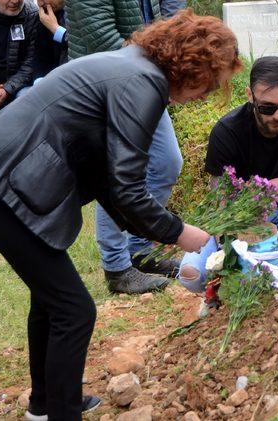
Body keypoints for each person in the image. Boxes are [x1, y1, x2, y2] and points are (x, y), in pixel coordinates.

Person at [0, 11, 241, 419]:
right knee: (74, 309)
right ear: (194, 67)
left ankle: (45, 405)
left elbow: (106, 178)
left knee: (51, 301)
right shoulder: (144, 82)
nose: (206, 95)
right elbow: (128, 187)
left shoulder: (131, 65)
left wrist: (154, 226)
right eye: (211, 83)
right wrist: (178, 231)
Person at [177, 56, 278, 291]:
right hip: (242, 221)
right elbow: (221, 206)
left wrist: (262, 188)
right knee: (191, 275)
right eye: (267, 107)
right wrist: (247, 240)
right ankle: (235, 290)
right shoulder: (227, 132)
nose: (277, 115)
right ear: (249, 95)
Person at [66, 0, 187, 293]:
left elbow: (163, 22)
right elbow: (100, 36)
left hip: (145, 75)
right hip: (108, 83)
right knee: (116, 173)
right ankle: (117, 266)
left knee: (167, 162)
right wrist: (157, 75)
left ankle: (141, 249)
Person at [0, 0, 38, 125]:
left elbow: (31, 63)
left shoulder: (33, 15)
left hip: (14, 88)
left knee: (28, 99)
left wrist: (6, 90)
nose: (15, 1)